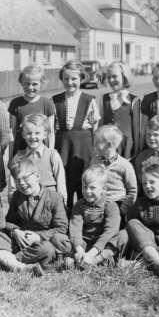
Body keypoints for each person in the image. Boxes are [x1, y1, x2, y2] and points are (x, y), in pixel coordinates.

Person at [0, 159, 71, 275]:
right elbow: (8, 222)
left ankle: (4, 261)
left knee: (49, 248)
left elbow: (61, 228)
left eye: (25, 178)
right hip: (20, 241)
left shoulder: (54, 197)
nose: (22, 184)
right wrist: (15, 231)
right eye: (18, 181)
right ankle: (12, 261)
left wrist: (38, 237)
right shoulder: (17, 196)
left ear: (37, 176)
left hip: (43, 243)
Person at [52, 61, 100, 214]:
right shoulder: (55, 100)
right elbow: (52, 128)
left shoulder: (89, 99)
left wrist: (95, 151)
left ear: (81, 79)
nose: (70, 82)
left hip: (84, 147)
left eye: (74, 79)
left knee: (83, 181)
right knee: (64, 181)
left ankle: (84, 215)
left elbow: (95, 127)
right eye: (66, 79)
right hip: (63, 147)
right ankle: (64, 214)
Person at [67, 165, 121, 268]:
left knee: (121, 237)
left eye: (92, 188)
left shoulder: (110, 205)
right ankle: (82, 259)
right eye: (85, 187)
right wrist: (80, 249)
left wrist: (92, 253)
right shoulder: (79, 205)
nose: (87, 191)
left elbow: (109, 232)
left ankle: (94, 261)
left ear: (103, 189)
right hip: (85, 243)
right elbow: (75, 229)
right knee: (66, 240)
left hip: (102, 244)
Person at [8, 113, 67, 203]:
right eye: (29, 133)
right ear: (23, 134)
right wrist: (12, 202)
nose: (33, 137)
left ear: (45, 134)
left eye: (37, 133)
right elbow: (13, 185)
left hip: (49, 203)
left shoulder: (52, 155)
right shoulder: (19, 157)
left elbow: (61, 183)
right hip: (25, 203)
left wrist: (62, 204)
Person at [89, 125, 137, 222]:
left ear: (109, 145)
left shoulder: (124, 165)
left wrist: (123, 209)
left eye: (98, 142)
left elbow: (132, 190)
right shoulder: (94, 162)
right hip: (98, 205)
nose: (94, 145)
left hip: (117, 204)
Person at [8, 65, 56, 156]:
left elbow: (51, 133)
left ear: (42, 83)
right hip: (21, 150)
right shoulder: (15, 103)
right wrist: (10, 156)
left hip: (41, 151)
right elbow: (12, 132)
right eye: (27, 83)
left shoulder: (47, 103)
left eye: (34, 84)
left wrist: (50, 153)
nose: (30, 87)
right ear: (21, 83)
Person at [101, 62, 142, 159]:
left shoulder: (134, 100)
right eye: (109, 77)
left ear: (124, 77)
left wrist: (136, 154)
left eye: (115, 76)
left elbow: (136, 131)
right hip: (108, 148)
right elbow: (102, 126)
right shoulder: (104, 99)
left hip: (127, 149)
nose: (111, 80)